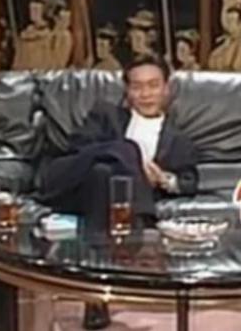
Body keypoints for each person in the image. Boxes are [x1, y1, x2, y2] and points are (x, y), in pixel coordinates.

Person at [39, 54, 199, 329]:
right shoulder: (106, 114)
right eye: (137, 86)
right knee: (122, 152)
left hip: (107, 199)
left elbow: (189, 181)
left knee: (105, 174)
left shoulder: (179, 139)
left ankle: (95, 295)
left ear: (166, 89)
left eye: (153, 85)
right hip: (69, 182)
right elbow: (79, 153)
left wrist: (162, 178)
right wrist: (131, 158)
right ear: (127, 91)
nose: (145, 94)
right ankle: (143, 221)